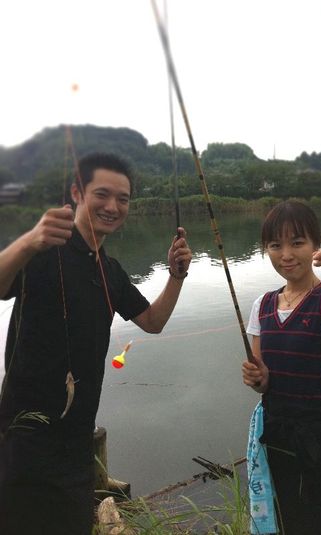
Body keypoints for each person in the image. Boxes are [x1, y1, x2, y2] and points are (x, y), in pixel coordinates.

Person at [0, 152, 192, 535]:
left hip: (76, 443)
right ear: (77, 192)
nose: (113, 206)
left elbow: (153, 322)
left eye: (123, 199)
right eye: (102, 194)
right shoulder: (43, 249)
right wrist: (28, 241)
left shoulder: (111, 271)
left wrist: (176, 276)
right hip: (24, 438)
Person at [242, 200, 321, 535]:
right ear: (265, 249)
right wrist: (258, 378)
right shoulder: (262, 305)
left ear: (315, 244)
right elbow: (262, 377)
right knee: (292, 519)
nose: (286, 254)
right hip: (278, 434)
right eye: (275, 245)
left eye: (297, 243)